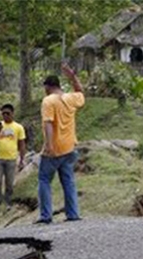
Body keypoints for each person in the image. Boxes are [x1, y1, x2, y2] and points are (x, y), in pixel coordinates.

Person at [36, 63, 85, 224]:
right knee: (68, 181)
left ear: (48, 87)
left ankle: (46, 216)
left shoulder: (48, 101)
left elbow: (48, 123)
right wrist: (72, 77)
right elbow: (81, 93)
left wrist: (49, 145)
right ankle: (73, 214)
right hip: (70, 147)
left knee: (44, 180)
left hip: (55, 149)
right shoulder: (70, 98)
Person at [0, 103, 26, 210]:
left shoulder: (18, 127)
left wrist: (22, 159)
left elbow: (22, 144)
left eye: (8, 113)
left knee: (9, 183)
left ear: (12, 114)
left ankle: (8, 201)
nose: (5, 116)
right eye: (3, 114)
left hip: (11, 158)